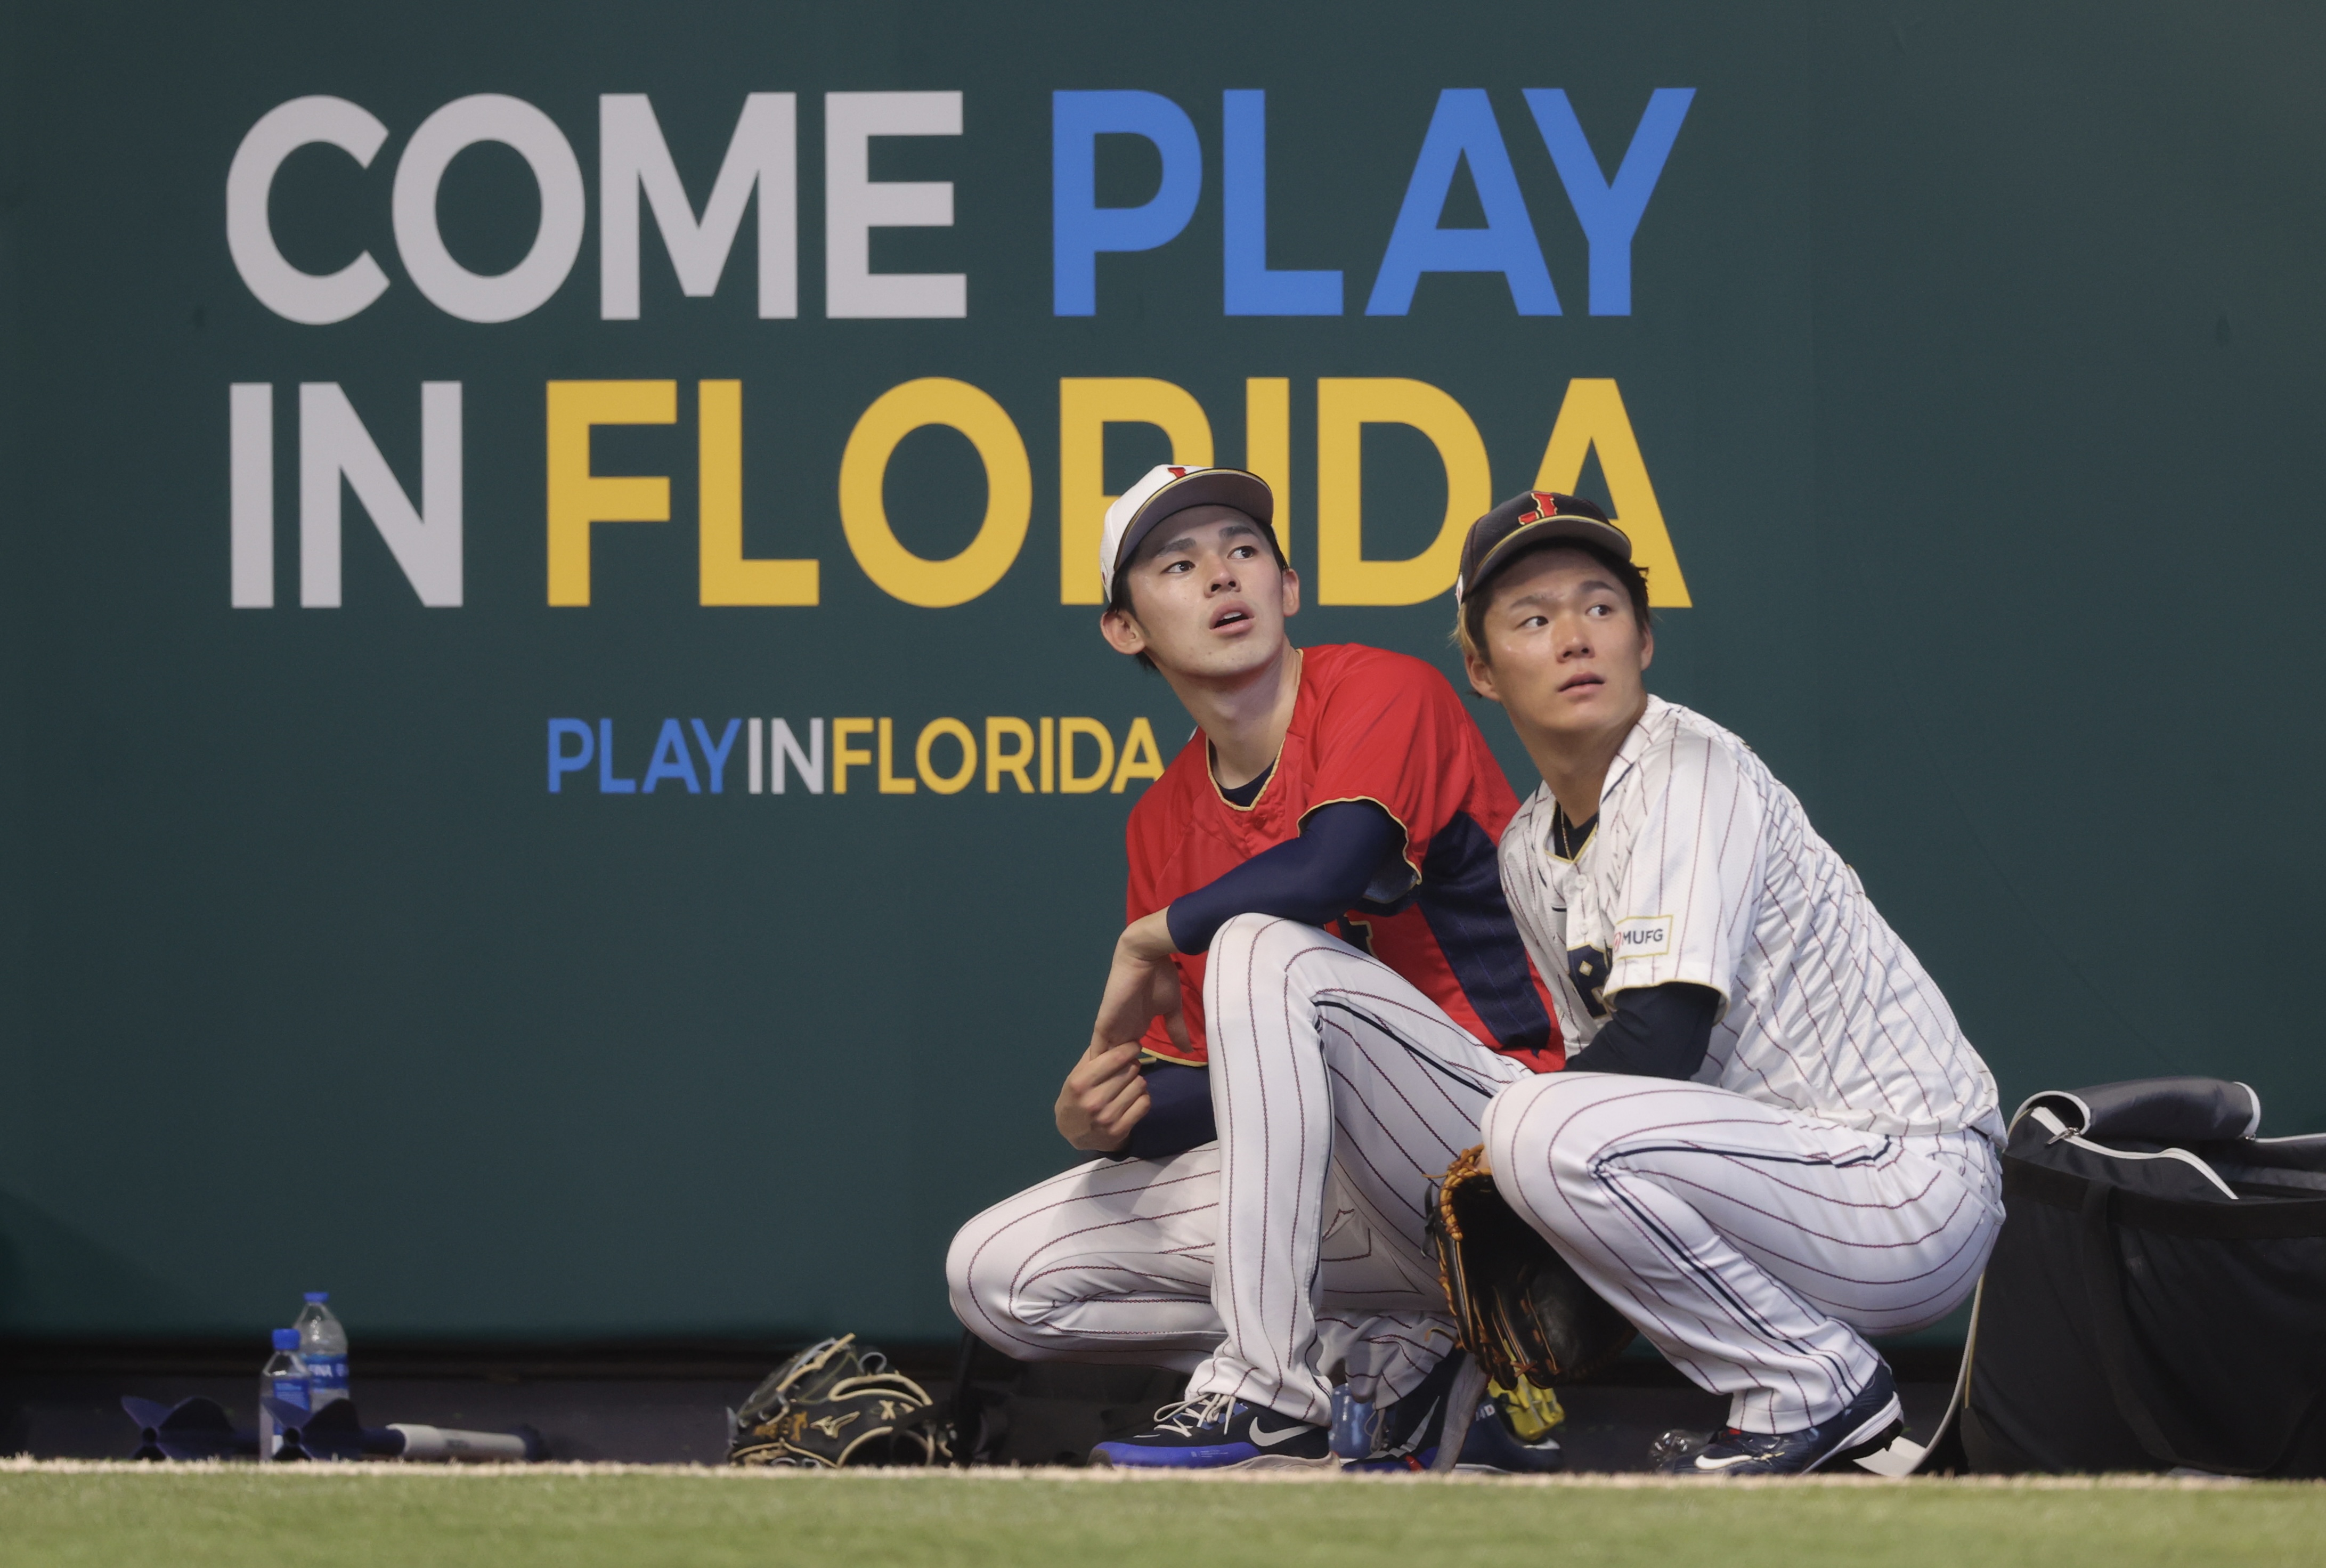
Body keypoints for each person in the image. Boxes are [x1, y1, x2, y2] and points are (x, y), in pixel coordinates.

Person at [946, 465, 1563, 1470]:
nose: (1222, 576)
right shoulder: (1162, 818)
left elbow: (1331, 868)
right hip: (1347, 1200)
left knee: (1255, 943)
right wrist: (1107, 1120)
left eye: (1243, 551)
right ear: (1125, 628)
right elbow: (1224, 1091)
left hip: (1494, 1144)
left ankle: (1269, 1390)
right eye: (1178, 564)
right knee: (994, 1273)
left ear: (1290, 587)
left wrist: (1154, 933)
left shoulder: (1379, 689)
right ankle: (1383, 1358)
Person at [1454, 491, 2005, 1476]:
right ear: (1483, 671)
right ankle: (1854, 1449)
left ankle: (1815, 1389)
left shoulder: (1689, 767)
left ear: (1645, 640)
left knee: (1533, 1129)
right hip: (1783, 1182)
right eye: (1533, 619)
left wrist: (1504, 1177)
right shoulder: (1525, 846)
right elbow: (1604, 1066)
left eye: (1600, 607)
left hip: (1905, 1182)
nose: (1574, 636)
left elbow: (1658, 1040)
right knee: (1542, 1130)